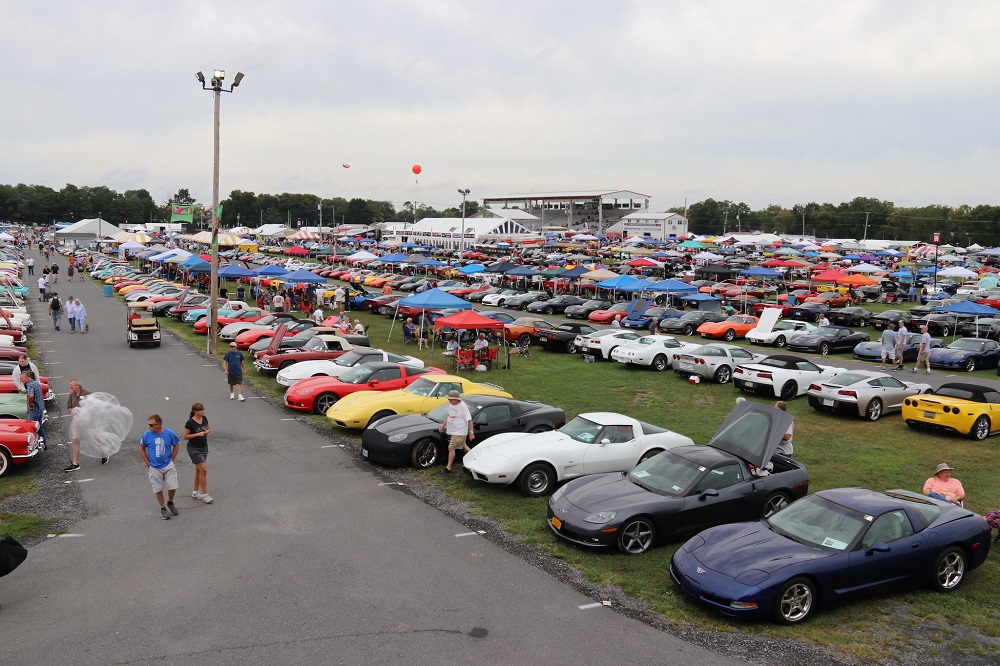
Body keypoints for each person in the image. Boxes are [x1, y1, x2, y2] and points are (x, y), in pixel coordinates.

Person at [139, 414, 181, 520]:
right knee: (158, 489)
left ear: (158, 425)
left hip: (168, 465)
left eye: (151, 425)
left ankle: (170, 502)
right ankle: (163, 509)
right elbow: (141, 448)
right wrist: (147, 463)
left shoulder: (169, 433)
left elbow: (176, 444)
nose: (149, 427)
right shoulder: (147, 434)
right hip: (154, 467)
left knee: (172, 487)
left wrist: (173, 458)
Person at [64, 379, 105, 471]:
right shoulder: (71, 395)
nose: (70, 387)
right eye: (70, 385)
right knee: (75, 439)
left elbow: (96, 404)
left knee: (96, 438)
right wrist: (73, 411)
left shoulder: (87, 393)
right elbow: (69, 406)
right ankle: (75, 463)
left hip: (89, 421)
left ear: (78, 386)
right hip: (77, 421)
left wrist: (86, 412)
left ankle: (104, 454)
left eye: (72, 385)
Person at [183, 403, 213, 504]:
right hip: (193, 449)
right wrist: (198, 434)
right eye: (201, 410)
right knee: (204, 470)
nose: (203, 411)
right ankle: (205, 494)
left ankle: (195, 492)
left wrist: (207, 431)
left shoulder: (204, 418)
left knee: (199, 470)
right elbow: (185, 436)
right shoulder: (190, 422)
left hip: (204, 447)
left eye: (203, 409)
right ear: (195, 411)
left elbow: (208, 428)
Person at [438, 390, 474, 473]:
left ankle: (448, 468)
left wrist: (471, 433)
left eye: (450, 399)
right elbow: (450, 415)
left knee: (451, 448)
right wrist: (443, 424)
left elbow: (469, 420)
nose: (449, 401)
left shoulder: (463, 407)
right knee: (463, 446)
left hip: (460, 431)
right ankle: (475, 458)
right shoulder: (452, 405)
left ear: (456, 399)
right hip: (454, 430)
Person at [22, 371, 46, 452]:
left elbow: (31, 395)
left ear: (26, 377)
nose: (21, 380)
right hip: (40, 409)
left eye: (22, 378)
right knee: (40, 427)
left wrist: (29, 403)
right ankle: (44, 443)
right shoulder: (36, 383)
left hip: (34, 410)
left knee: (32, 428)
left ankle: (34, 447)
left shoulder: (30, 385)